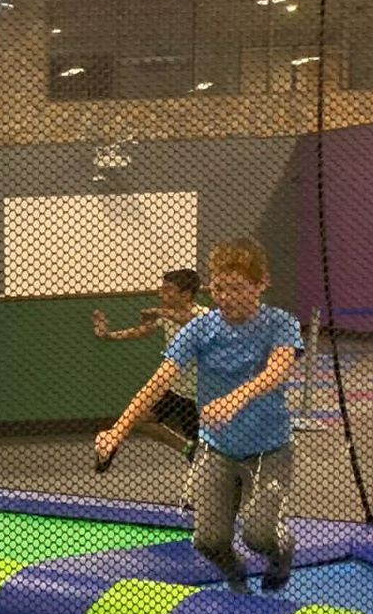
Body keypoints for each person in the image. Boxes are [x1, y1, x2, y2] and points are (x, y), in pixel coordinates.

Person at [95, 240, 301, 592]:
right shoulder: (201, 328)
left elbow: (277, 370)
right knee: (208, 540)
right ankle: (235, 572)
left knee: (258, 534)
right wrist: (118, 430)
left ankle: (282, 552)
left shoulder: (280, 323)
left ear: (261, 284)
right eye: (219, 288)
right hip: (216, 448)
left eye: (236, 288)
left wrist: (234, 399)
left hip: (269, 450)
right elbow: (159, 381)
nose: (226, 297)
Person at [91, 268, 206, 462]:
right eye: (162, 288)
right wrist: (108, 335)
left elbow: (192, 321)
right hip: (174, 390)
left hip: (198, 396)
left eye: (168, 289)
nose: (161, 294)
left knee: (207, 449)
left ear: (186, 295)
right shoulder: (166, 316)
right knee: (139, 420)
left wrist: (160, 312)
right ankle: (187, 449)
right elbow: (140, 331)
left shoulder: (202, 314)